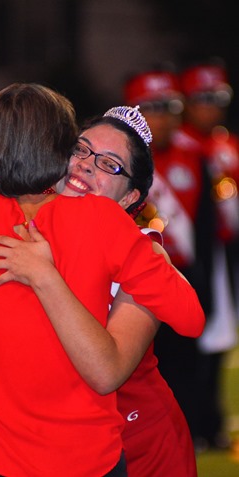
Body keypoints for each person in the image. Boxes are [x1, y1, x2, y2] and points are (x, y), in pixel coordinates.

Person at [0, 82, 204, 477]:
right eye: (81, 149)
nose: (85, 165)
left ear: (131, 198)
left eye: (109, 165)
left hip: (142, 441)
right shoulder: (3, 209)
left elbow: (176, 328)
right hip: (57, 445)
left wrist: (43, 274)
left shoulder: (131, 243)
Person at [122, 68, 215, 447]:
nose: (163, 116)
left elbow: (206, 229)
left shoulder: (196, 158)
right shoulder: (119, 161)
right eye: (153, 107)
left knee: (189, 361)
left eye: (170, 107)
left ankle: (194, 429)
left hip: (183, 274)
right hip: (135, 280)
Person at [176, 60, 239, 451]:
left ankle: (210, 419)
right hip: (191, 256)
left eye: (218, 98)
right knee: (189, 343)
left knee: (220, 336)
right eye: (202, 99)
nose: (211, 107)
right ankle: (193, 422)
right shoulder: (181, 146)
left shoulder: (228, 144)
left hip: (226, 254)